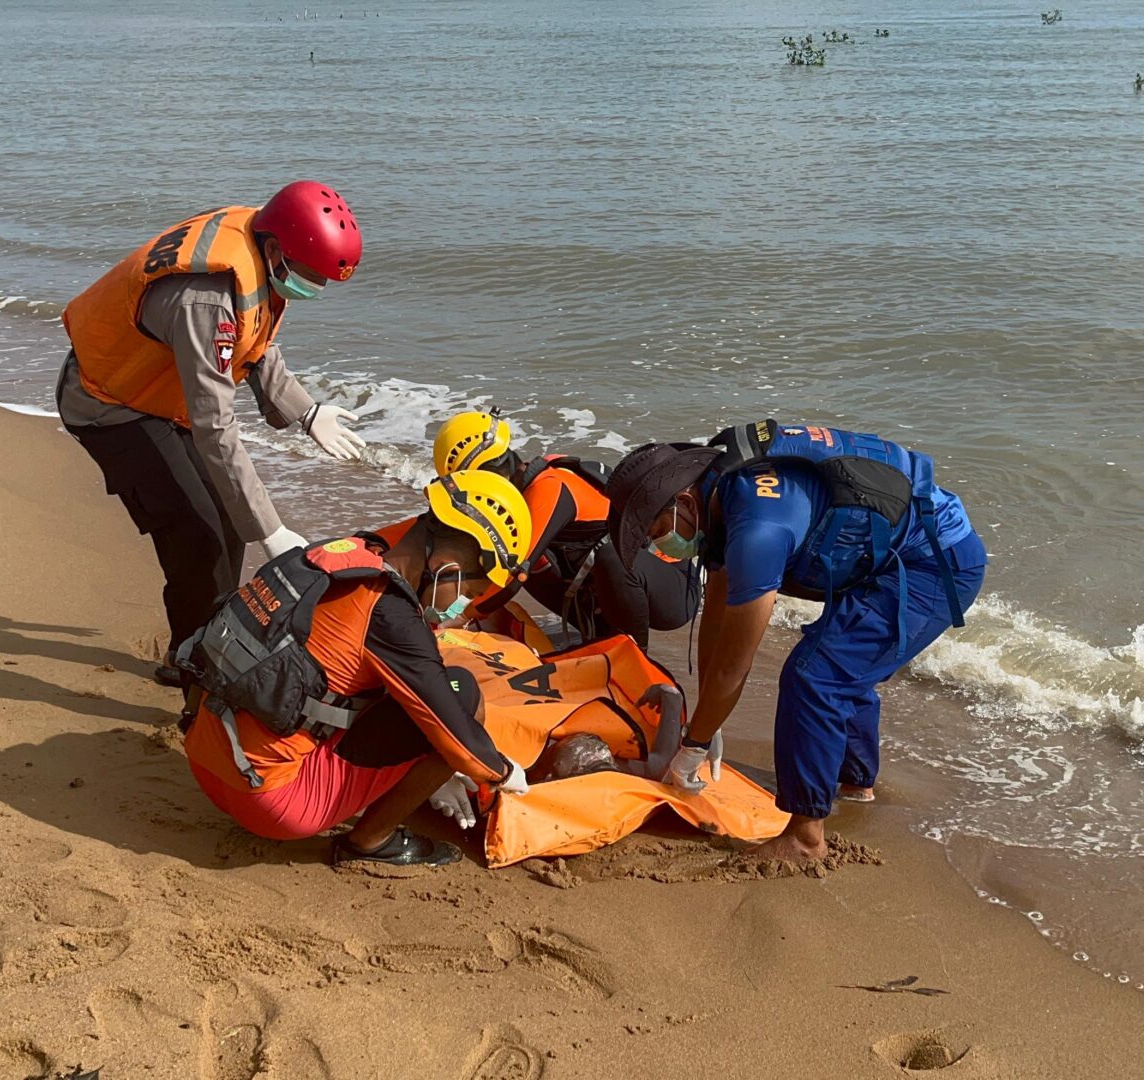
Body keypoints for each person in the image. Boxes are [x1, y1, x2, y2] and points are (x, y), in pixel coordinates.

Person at [604, 420, 989, 861]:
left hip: (937, 565)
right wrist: (706, 725)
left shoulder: (758, 530)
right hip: (888, 548)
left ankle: (805, 838)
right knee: (841, 662)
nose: (661, 547)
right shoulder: (721, 489)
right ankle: (855, 784)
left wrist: (693, 744)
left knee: (816, 677)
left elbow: (736, 661)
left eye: (655, 532)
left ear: (683, 503)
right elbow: (720, 616)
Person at [57, 181, 371, 687]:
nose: (313, 288)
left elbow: (255, 341)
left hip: (159, 397)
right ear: (275, 249)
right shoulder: (205, 301)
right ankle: (191, 662)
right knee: (196, 532)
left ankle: (212, 644)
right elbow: (215, 425)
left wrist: (308, 412)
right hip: (107, 403)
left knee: (228, 520)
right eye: (309, 276)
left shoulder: (260, 248)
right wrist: (271, 530)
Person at [180, 471, 536, 867]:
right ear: (446, 567)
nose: (462, 609)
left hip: (205, 758)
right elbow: (454, 728)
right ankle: (368, 841)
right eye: (469, 592)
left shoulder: (333, 556)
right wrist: (501, 772)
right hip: (271, 802)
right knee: (462, 696)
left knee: (392, 685)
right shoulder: (390, 614)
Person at [425, 410, 700, 648]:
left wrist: (460, 617)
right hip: (624, 589)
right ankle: (600, 637)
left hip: (672, 591)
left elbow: (511, 576)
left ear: (492, 472)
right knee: (526, 559)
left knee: (529, 563)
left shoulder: (550, 486)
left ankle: (633, 655)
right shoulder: (528, 490)